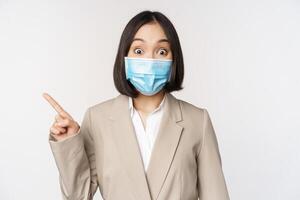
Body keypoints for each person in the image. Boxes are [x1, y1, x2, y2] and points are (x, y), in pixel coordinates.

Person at [43, 10, 230, 200]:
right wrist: (69, 143)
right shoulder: (97, 118)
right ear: (125, 56)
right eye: (139, 51)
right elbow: (78, 196)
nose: (149, 60)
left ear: (174, 60)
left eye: (162, 51)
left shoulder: (198, 121)